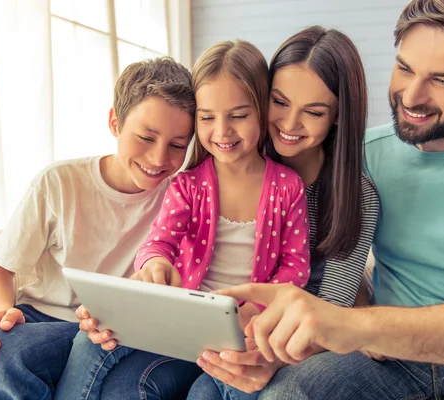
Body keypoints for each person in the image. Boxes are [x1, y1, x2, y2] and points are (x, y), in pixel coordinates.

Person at [216, 0, 444, 398]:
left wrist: (359, 325)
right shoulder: (360, 155)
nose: (412, 97)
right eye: (405, 69)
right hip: (384, 361)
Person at [76, 26, 380, 399]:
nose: (288, 124)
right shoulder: (192, 183)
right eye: (280, 103)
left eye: (313, 111)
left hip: (274, 333)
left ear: (337, 115)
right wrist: (150, 271)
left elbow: (318, 293)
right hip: (191, 320)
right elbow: (160, 242)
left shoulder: (304, 189)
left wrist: (259, 323)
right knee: (111, 365)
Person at [0, 57, 196, 400]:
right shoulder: (59, 182)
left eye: (177, 145)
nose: (158, 159)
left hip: (92, 332)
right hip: (29, 313)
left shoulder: (184, 198)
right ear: (115, 122)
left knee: (1, 357)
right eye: (145, 137)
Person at [54, 39, 311, 400]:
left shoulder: (288, 186)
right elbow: (160, 241)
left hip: (246, 330)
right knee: (91, 338)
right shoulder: (188, 185)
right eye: (207, 118)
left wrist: (254, 310)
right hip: (183, 319)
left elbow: (295, 269)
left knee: (210, 393)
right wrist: (155, 262)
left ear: (262, 111)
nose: (221, 132)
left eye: (238, 116)